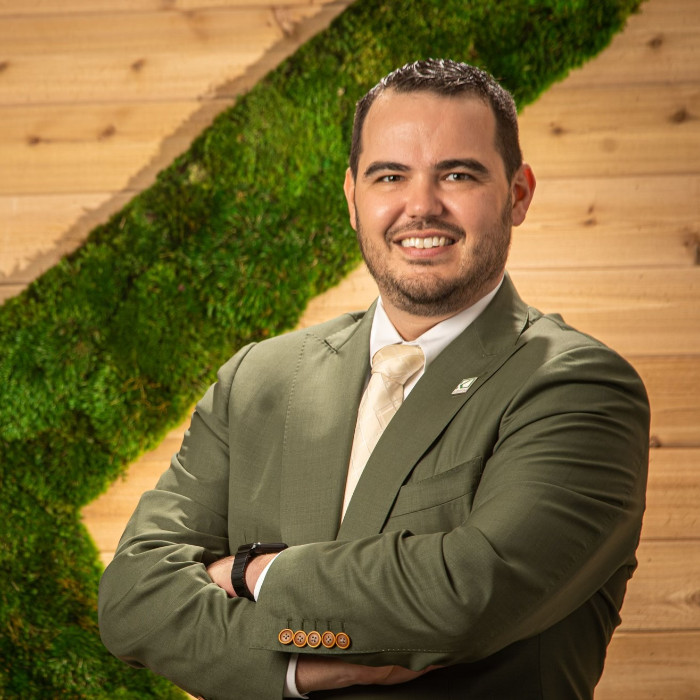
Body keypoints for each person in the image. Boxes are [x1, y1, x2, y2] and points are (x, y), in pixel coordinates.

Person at [98, 59, 650, 699]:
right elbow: (133, 598)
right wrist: (294, 669)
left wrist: (251, 573)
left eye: (459, 174)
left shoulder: (578, 387)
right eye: (390, 175)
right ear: (353, 198)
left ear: (519, 194)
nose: (421, 206)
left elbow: (466, 594)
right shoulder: (258, 378)